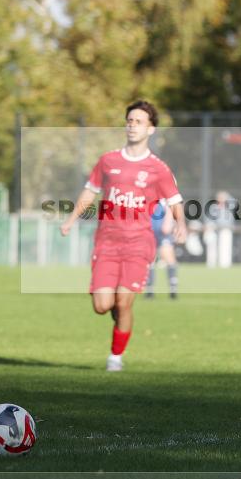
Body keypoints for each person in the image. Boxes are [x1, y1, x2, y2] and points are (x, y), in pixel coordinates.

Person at [60, 100, 187, 371]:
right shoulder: (108, 161)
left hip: (139, 243)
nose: (132, 125)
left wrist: (181, 225)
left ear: (151, 129)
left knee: (124, 301)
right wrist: (71, 219)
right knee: (102, 305)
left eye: (139, 121)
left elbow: (175, 200)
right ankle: (120, 315)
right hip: (106, 242)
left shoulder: (158, 168)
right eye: (130, 120)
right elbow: (89, 191)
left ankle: (115, 357)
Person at [145, 201, 179, 299]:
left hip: (163, 233)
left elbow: (171, 207)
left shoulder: (164, 196)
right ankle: (149, 291)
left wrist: (169, 222)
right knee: (150, 261)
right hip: (149, 231)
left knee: (169, 259)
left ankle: (173, 290)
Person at [203, 190, 236, 268]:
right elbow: (209, 218)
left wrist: (227, 198)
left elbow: (234, 202)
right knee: (211, 244)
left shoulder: (230, 206)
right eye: (219, 198)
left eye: (223, 198)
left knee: (225, 245)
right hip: (214, 229)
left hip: (225, 228)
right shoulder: (213, 207)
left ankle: (225, 264)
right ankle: (211, 263)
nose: (220, 199)